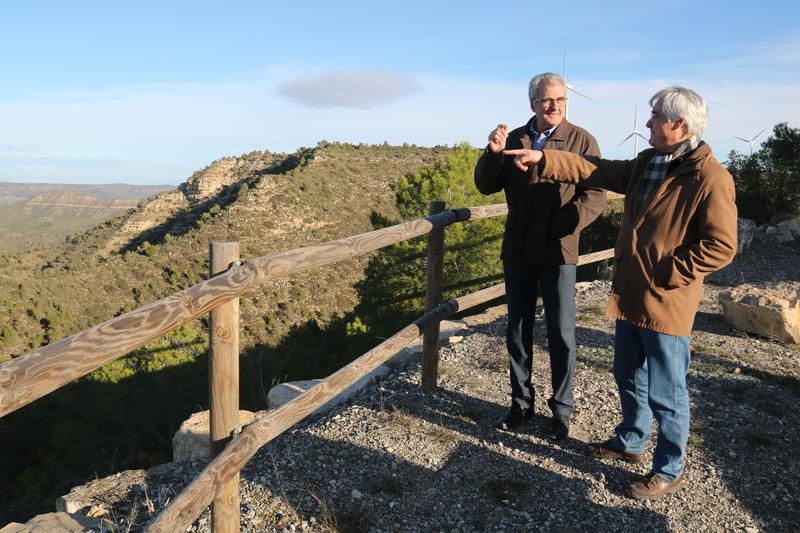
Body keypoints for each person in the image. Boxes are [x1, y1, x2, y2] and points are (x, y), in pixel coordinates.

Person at [503, 86, 737, 499]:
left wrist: (668, 272)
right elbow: (595, 170)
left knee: (667, 390)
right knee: (628, 374)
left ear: (679, 124)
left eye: (654, 118)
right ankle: (630, 441)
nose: (646, 124)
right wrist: (544, 158)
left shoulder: (709, 177)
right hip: (630, 295)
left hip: (666, 301)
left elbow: (721, 246)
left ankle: (669, 467)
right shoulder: (649, 162)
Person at [474, 72, 607, 439]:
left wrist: (565, 223)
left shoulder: (582, 140)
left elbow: (595, 195)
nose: (555, 106)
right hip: (517, 248)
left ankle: (561, 410)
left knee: (561, 331)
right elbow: (486, 185)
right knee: (517, 329)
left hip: (558, 249)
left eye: (561, 99)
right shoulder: (515, 137)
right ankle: (520, 404)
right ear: (533, 102)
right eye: (548, 100)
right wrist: (492, 153)